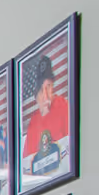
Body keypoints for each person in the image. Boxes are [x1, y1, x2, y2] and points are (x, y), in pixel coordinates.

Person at [22, 49, 70, 177]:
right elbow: (28, 165)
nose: (46, 94)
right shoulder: (34, 122)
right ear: (36, 96)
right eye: (41, 90)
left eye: (48, 86)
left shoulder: (64, 106)